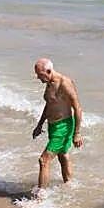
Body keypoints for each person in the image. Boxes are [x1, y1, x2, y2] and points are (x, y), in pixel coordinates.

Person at [30, 58, 83, 190]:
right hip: (53, 126)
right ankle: (69, 188)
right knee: (63, 157)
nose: (38, 78)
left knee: (43, 160)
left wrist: (77, 133)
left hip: (63, 127)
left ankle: (40, 198)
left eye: (40, 74)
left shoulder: (65, 83)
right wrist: (40, 124)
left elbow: (77, 108)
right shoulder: (49, 82)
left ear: (48, 71)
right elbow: (49, 104)